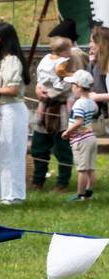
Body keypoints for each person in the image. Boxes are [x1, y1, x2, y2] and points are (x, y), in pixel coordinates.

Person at [31, 34, 79, 194]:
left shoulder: (68, 63)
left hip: (61, 109)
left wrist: (49, 93)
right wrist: (39, 89)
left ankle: (62, 184)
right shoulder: (47, 61)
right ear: (64, 50)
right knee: (39, 147)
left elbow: (67, 84)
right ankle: (38, 181)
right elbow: (41, 78)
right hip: (43, 109)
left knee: (63, 148)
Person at [0, 21, 30, 205]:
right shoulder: (3, 61)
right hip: (3, 110)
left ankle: (14, 194)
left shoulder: (13, 61)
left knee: (12, 151)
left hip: (12, 109)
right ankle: (3, 192)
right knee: (3, 151)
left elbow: (13, 89)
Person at [61, 69, 99, 201]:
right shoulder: (91, 102)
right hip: (91, 138)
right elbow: (95, 112)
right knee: (90, 169)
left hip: (81, 140)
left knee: (82, 170)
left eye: (72, 85)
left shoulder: (78, 104)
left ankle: (80, 195)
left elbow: (79, 121)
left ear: (78, 87)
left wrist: (67, 132)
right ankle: (88, 193)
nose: (71, 88)